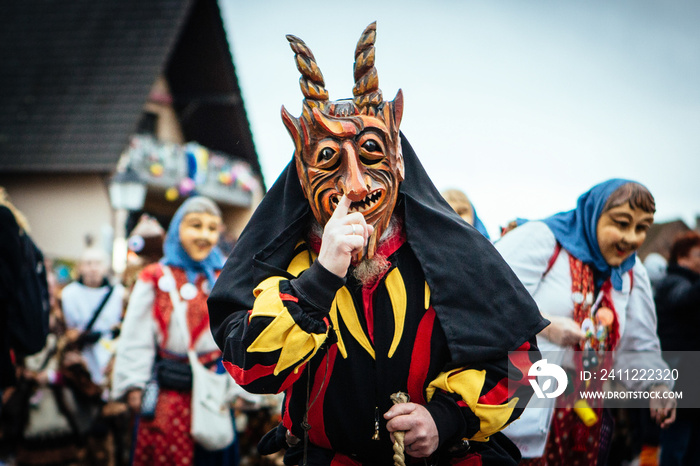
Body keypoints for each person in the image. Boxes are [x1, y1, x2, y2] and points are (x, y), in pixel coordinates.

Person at [208, 22, 546, 465]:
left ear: (398, 160)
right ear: (303, 174)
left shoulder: (453, 261)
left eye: (370, 152)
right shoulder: (286, 269)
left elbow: (525, 370)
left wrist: (445, 419)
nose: (354, 183)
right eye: (328, 159)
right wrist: (319, 279)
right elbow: (251, 370)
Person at [495, 179, 676, 465]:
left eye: (641, 228)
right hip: (520, 408)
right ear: (594, 214)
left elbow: (637, 347)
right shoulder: (543, 239)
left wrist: (656, 385)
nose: (631, 238)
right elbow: (485, 301)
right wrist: (547, 326)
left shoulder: (631, 273)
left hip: (584, 415)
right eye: (621, 223)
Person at [111, 196, 239, 466]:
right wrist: (134, 383)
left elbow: (239, 337)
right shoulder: (155, 277)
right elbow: (137, 336)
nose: (204, 236)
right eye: (196, 226)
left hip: (211, 392)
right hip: (167, 394)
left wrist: (240, 390)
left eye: (212, 228)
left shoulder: (226, 278)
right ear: (178, 228)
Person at [654, 231, 700, 466]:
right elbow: (683, 298)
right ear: (682, 257)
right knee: (677, 447)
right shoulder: (672, 282)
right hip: (681, 380)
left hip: (690, 379)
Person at [62, 247, 124, 390]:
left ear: (105, 267)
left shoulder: (119, 294)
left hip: (109, 360)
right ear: (81, 267)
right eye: (88, 263)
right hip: (80, 360)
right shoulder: (68, 294)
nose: (93, 268)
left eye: (97, 263)